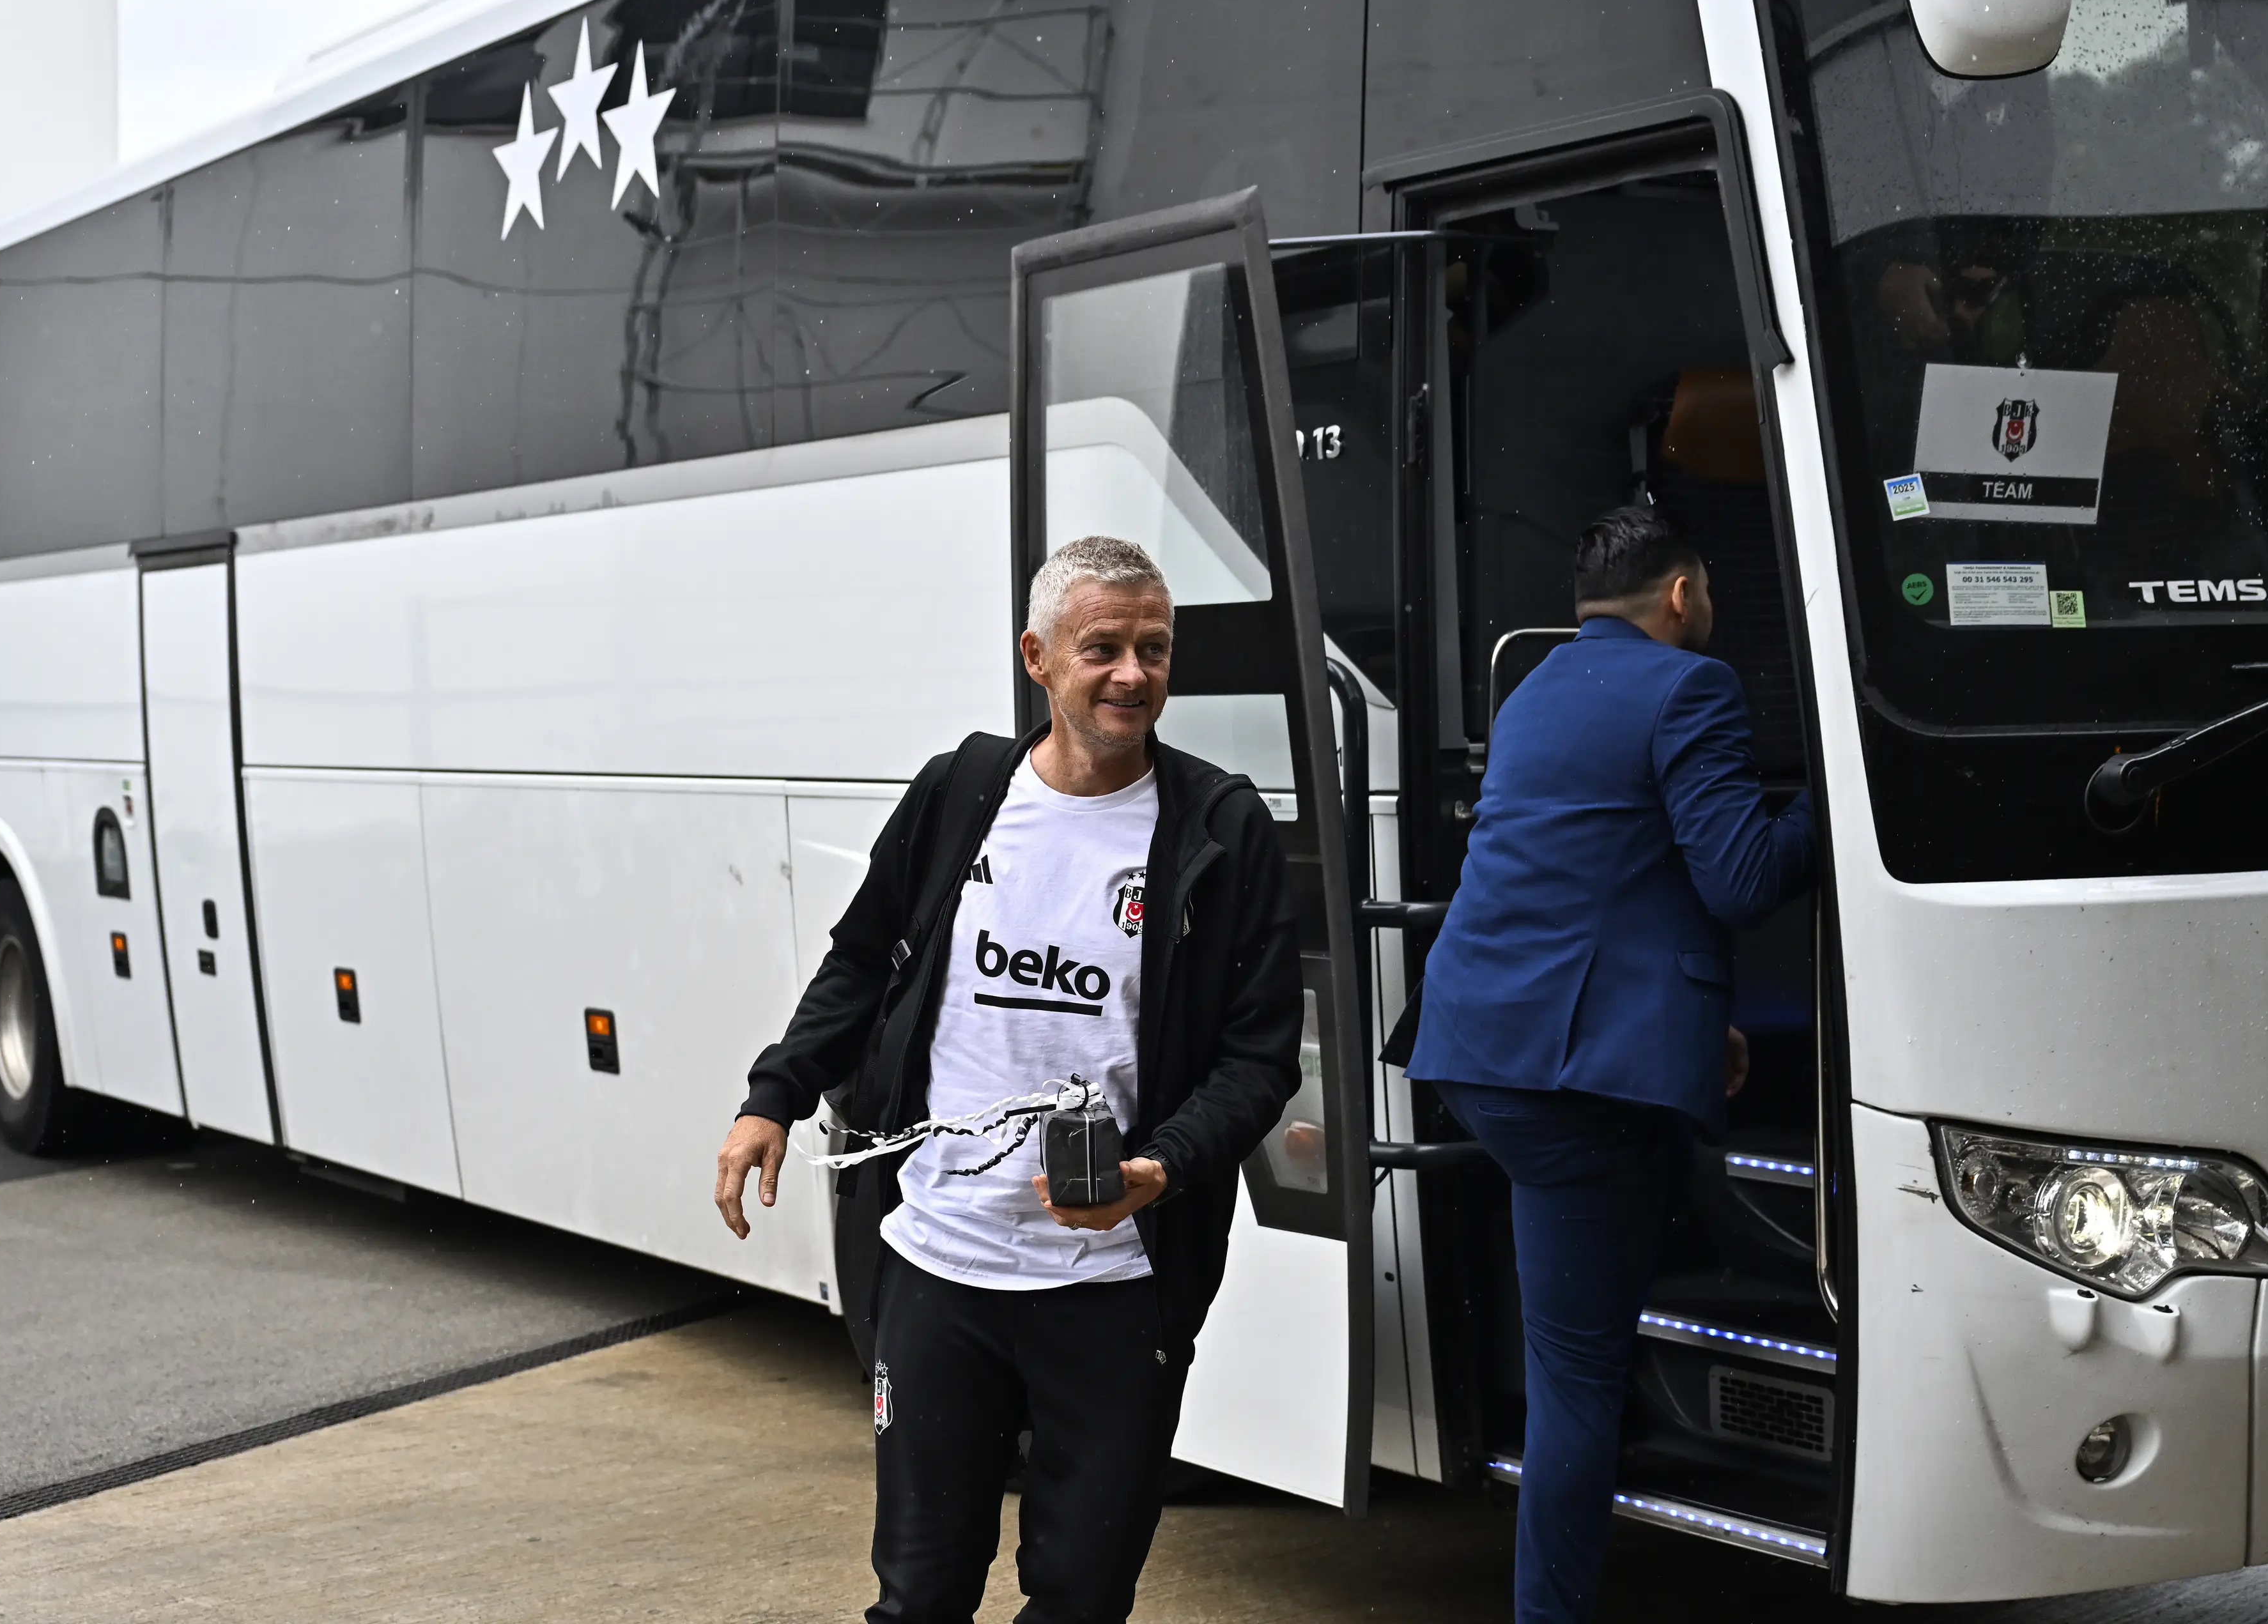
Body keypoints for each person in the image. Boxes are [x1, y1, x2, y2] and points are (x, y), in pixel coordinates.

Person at [712, 535, 1302, 1624]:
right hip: (942, 1270)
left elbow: (1258, 1057)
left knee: (1081, 1600)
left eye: (1155, 649)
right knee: (921, 1593)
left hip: (1117, 1291)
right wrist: (774, 1096)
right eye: (1103, 648)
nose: (1134, 674)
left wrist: (1160, 1171)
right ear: (1039, 658)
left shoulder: (1220, 829)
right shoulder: (962, 794)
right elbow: (860, 960)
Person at [1403, 504, 1814, 1624]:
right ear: (1681, 595)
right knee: (1578, 1383)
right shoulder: (1694, 687)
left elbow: (1593, 871)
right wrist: (1844, 800)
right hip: (1573, 1080)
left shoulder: (1536, 689)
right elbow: (1737, 880)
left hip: (1483, 1049)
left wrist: (1689, 1025)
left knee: (1576, 1356)